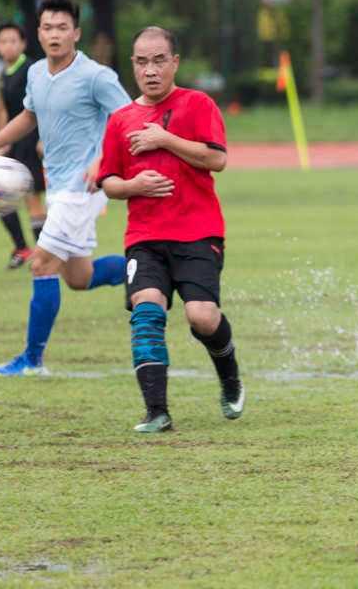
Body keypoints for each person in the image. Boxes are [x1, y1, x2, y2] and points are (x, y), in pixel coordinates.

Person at [0, 0, 131, 376]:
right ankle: (147, 269)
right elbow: (28, 116)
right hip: (58, 187)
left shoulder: (96, 76)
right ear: (38, 33)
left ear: (76, 33)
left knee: (41, 264)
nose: (55, 34)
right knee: (79, 277)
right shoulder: (37, 74)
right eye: (48, 27)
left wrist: (103, 161)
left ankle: (32, 360)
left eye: (63, 28)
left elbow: (129, 119)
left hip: (83, 188)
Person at [97, 26, 243, 433]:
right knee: (146, 312)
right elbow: (108, 181)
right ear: (133, 66)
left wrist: (165, 139)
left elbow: (216, 160)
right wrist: (132, 186)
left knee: (202, 317)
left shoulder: (198, 105)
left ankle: (229, 375)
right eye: (142, 62)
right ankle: (156, 411)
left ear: (174, 62)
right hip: (144, 238)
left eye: (159, 60)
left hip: (198, 233)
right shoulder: (120, 120)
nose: (151, 70)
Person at [0, 22, 46, 268]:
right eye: (3, 41)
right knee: (0, 197)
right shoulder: (4, 72)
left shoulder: (31, 69)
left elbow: (42, 105)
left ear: (22, 43)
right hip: (12, 140)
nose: (8, 45)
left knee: (32, 198)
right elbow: (3, 108)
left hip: (30, 140)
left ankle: (44, 255)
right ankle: (22, 248)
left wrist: (44, 137)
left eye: (13, 40)